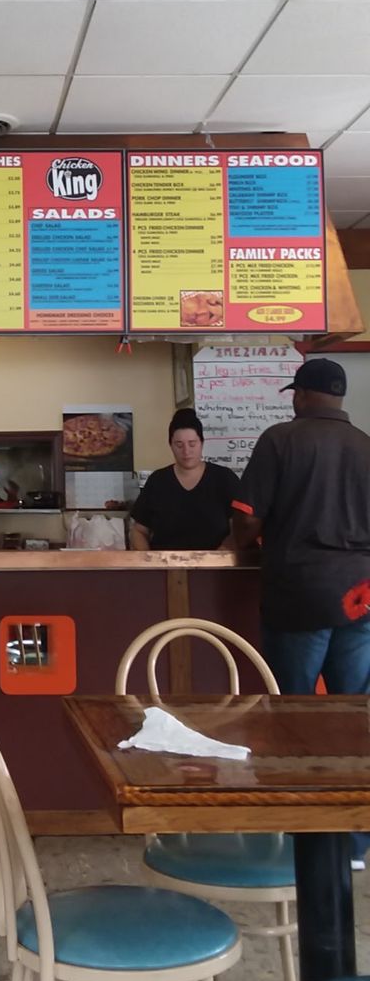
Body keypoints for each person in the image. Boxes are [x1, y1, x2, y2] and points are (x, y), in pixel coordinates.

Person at [231, 357, 370, 869]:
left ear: (303, 394)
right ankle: (353, 844)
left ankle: (302, 834)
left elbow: (247, 521)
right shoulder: (366, 447)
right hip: (361, 596)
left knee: (293, 716)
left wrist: (238, 542)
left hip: (298, 593)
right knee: (354, 716)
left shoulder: (280, 440)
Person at [129, 408, 239, 551]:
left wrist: (220, 556)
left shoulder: (224, 479)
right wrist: (148, 561)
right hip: (166, 568)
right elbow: (139, 531)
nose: (186, 451)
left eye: (192, 444)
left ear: (202, 443)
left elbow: (239, 530)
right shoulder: (157, 481)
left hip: (217, 569)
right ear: (171, 445)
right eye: (179, 445)